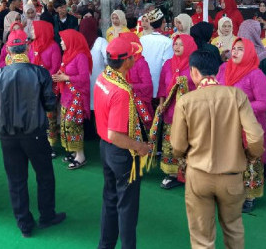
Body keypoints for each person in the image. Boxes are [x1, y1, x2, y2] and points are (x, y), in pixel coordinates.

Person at [171, 51, 264, 249]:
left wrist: (183, 156)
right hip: (231, 175)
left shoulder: (186, 101)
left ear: (193, 72)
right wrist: (249, 156)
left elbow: (177, 146)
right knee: (233, 228)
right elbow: (256, 137)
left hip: (198, 175)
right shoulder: (236, 95)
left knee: (201, 237)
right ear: (218, 69)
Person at [0, 29, 64, 237]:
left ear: (9, 50)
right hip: (35, 133)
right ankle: (47, 216)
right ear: (27, 47)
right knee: (45, 175)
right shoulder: (40, 73)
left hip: (8, 136)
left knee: (16, 179)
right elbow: (49, 104)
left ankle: (24, 223)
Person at [94, 37, 153, 249]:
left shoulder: (104, 76)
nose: (135, 58)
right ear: (126, 61)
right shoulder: (122, 92)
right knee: (127, 208)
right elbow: (116, 135)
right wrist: (141, 147)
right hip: (121, 153)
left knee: (110, 200)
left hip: (105, 149)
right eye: (132, 56)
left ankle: (105, 245)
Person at [217, 38, 266, 213]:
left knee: (249, 160)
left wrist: (240, 105)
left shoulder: (256, 75)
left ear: (248, 52)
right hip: (226, 123)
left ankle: (249, 195)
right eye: (234, 48)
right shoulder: (224, 69)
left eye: (240, 49)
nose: (235, 52)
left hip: (248, 125)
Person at [152, 34, 197, 189]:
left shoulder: (194, 66)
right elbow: (162, 88)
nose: (176, 47)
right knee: (170, 142)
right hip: (171, 111)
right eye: (175, 44)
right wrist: (161, 105)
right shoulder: (168, 64)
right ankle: (172, 174)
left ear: (189, 47)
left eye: (180, 45)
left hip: (189, 113)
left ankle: (189, 174)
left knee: (189, 143)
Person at [52, 30, 92, 169]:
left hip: (76, 97)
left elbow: (84, 78)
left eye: (63, 40)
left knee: (73, 124)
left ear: (71, 41)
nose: (61, 42)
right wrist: (61, 75)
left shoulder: (80, 56)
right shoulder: (68, 54)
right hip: (67, 96)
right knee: (65, 125)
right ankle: (75, 152)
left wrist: (66, 78)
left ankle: (81, 156)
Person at [29, 20, 62, 152]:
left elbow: (55, 68)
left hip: (48, 87)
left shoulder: (53, 47)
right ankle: (39, 142)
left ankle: (51, 145)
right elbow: (29, 63)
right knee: (37, 116)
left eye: (33, 29)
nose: (31, 32)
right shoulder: (32, 45)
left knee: (50, 117)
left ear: (41, 31)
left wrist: (39, 77)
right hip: (34, 86)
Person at [138, 9, 173, 98]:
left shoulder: (142, 39)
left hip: (143, 83)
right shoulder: (168, 42)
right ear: (163, 22)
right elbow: (167, 66)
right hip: (159, 86)